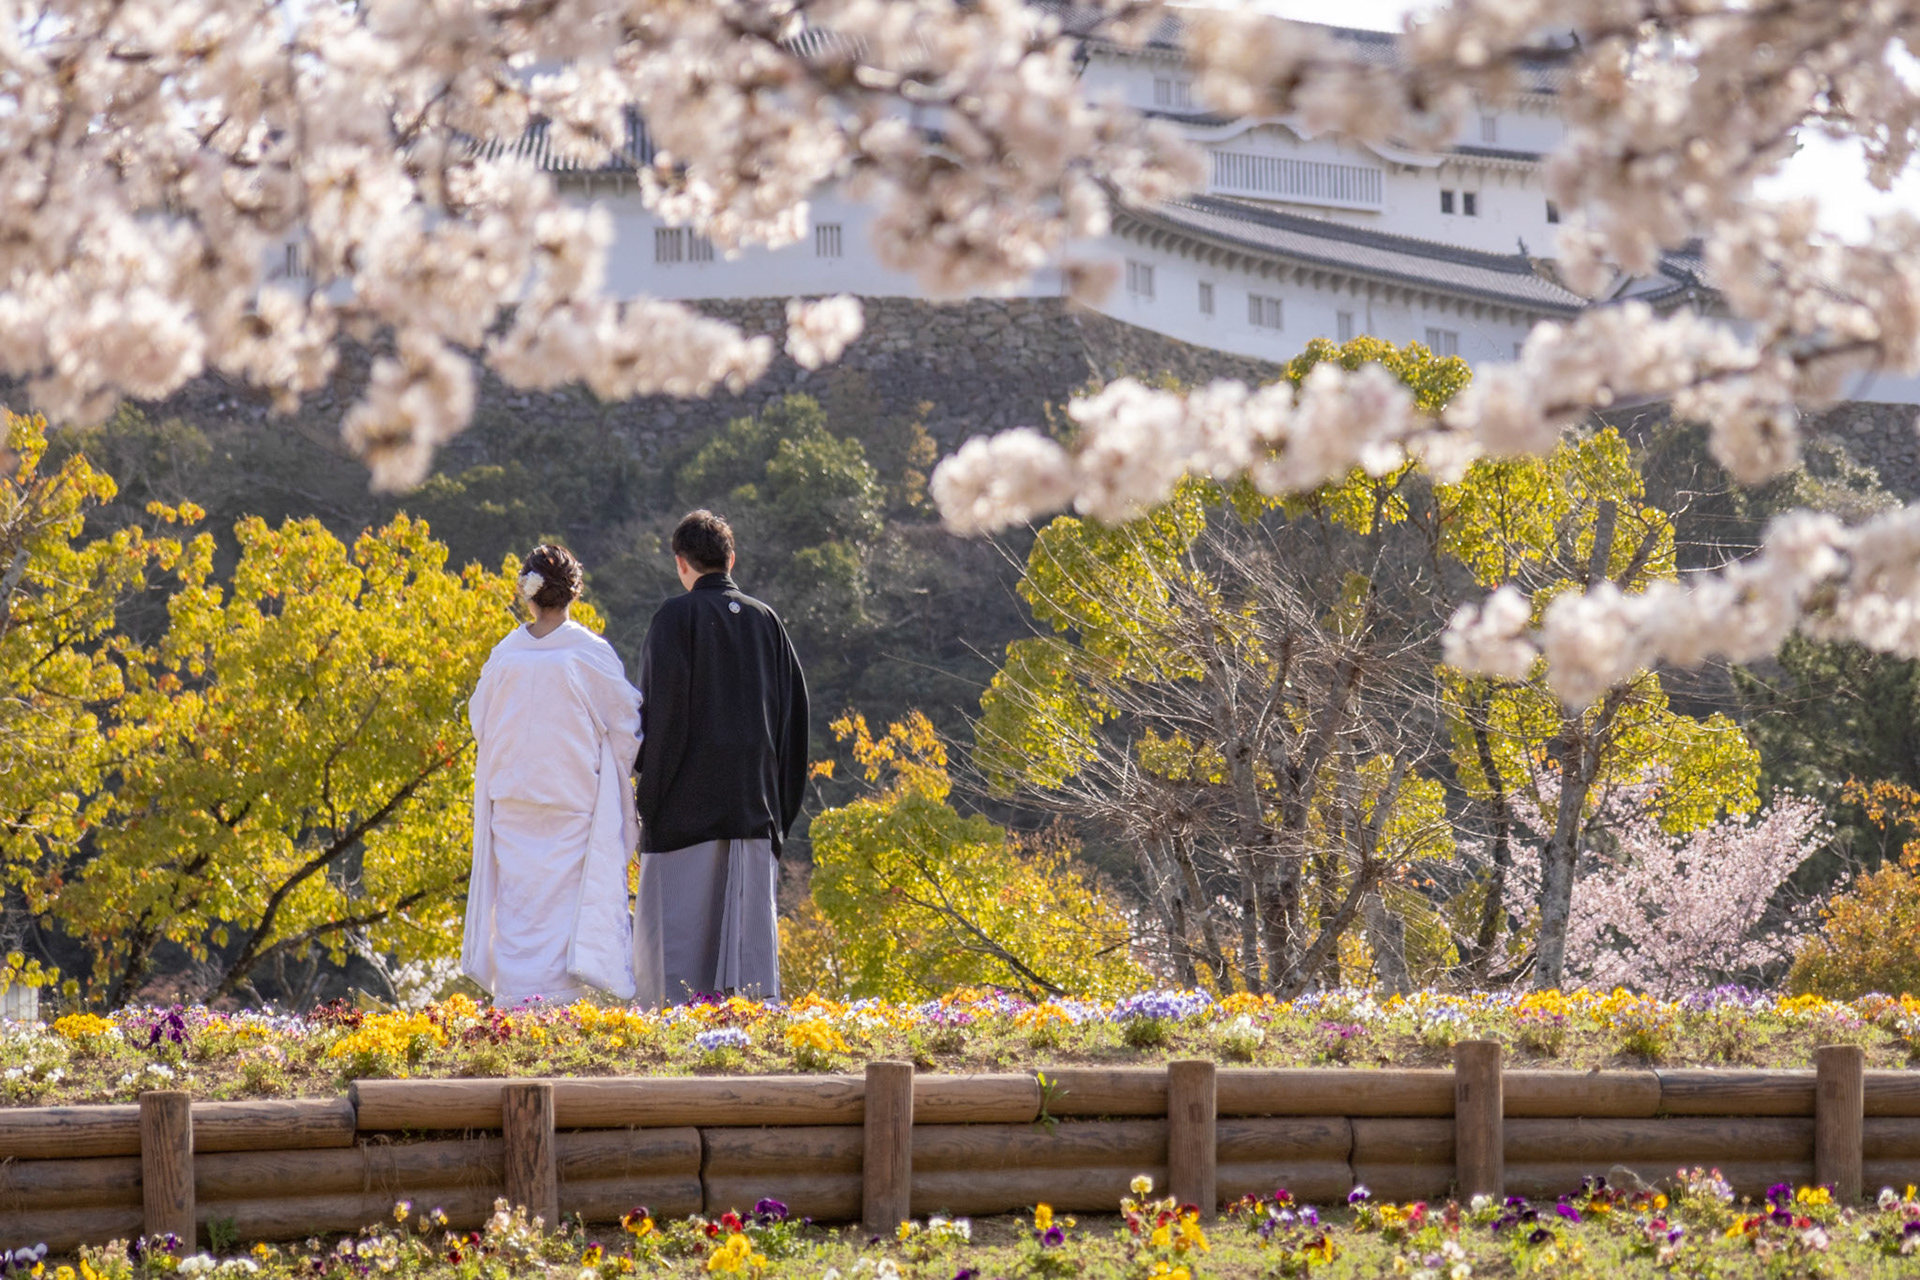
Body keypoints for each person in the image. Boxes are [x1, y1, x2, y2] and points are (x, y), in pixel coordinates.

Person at [633, 509, 809, 1006]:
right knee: (749, 976)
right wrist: (779, 817)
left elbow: (659, 719)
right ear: (731, 559)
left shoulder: (673, 618)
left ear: (681, 563)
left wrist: (648, 801)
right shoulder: (766, 621)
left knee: (675, 967)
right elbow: (795, 725)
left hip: (683, 817)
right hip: (754, 813)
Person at [462, 544, 641, 1005]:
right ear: (572, 594)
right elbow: (626, 725)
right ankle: (563, 1006)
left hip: (513, 803)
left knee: (518, 910)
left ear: (528, 594)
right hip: (571, 800)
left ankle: (515, 1004)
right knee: (566, 912)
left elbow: (480, 720)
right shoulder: (588, 653)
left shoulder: (504, 655)